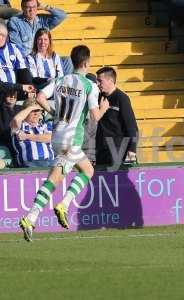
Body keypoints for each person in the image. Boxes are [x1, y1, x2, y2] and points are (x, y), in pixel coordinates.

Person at [18, 45, 110, 242]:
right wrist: (103, 108)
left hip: (56, 135)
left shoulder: (60, 80)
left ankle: (30, 217)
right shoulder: (89, 86)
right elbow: (94, 117)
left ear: (73, 61)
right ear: (86, 62)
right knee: (86, 172)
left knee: (58, 178)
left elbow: (40, 97)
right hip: (71, 139)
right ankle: (63, 204)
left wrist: (52, 113)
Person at [95, 66, 138, 167]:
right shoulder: (99, 98)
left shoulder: (121, 98)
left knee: (118, 181)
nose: (98, 84)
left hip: (118, 150)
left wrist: (132, 150)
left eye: (100, 81)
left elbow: (131, 126)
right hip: (102, 150)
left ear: (110, 80)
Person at [10, 98, 54, 167]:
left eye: (38, 110)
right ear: (25, 112)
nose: (36, 113)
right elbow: (16, 120)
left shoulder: (46, 126)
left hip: (49, 163)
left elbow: (50, 138)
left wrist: (27, 136)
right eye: (32, 111)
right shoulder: (20, 127)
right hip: (29, 164)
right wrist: (31, 107)